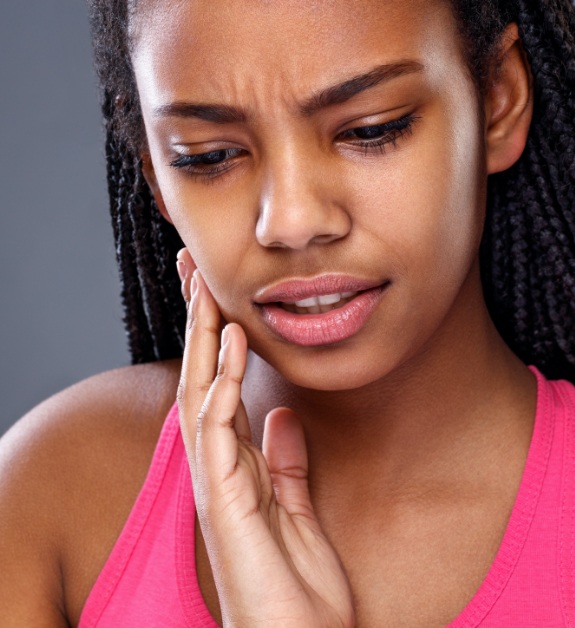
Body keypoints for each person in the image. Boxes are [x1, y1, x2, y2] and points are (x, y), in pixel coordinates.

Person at [1, 0, 575, 625]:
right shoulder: (48, 501)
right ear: (157, 177)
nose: (293, 222)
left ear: (497, 101)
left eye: (370, 128)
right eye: (208, 156)